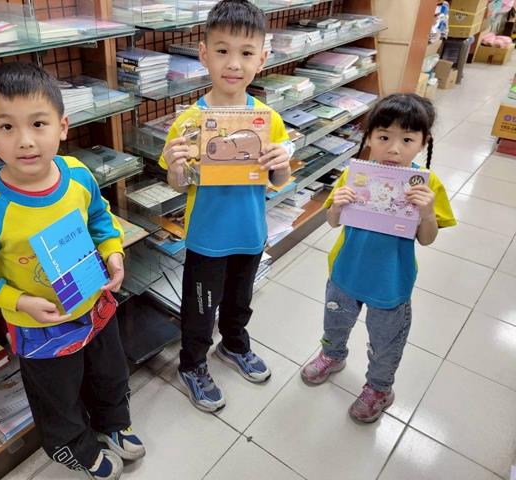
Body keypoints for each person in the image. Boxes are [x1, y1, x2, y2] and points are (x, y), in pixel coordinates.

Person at [0, 62, 144, 480]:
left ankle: (114, 422)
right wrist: (18, 301)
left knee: (110, 371)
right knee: (58, 395)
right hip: (40, 326)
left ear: (62, 126)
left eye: (38, 123)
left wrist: (113, 252)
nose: (26, 140)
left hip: (95, 302)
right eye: (7, 127)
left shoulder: (78, 175)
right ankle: (75, 446)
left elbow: (99, 218)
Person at [160, 0, 295, 412]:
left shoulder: (268, 119)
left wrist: (282, 164)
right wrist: (177, 167)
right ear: (204, 54)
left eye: (246, 52)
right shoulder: (188, 121)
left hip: (250, 233)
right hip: (207, 237)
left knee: (240, 300)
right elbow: (176, 183)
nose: (233, 63)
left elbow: (279, 181)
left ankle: (234, 344)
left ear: (262, 59)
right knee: (200, 309)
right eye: (222, 50)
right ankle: (192, 364)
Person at [300, 93, 456, 423]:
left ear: (423, 142)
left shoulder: (427, 186)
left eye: (407, 140)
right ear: (369, 137)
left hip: (390, 281)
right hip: (345, 272)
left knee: (385, 342)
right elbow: (333, 221)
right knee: (335, 323)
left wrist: (427, 213)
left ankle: (379, 387)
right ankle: (332, 355)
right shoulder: (355, 174)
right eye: (384, 137)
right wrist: (337, 206)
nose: (394, 149)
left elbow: (427, 239)